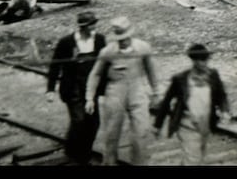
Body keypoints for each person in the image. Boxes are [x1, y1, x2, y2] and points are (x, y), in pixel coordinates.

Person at [85, 16, 158, 166]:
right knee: (111, 135)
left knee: (141, 133)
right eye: (120, 39)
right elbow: (96, 73)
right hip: (115, 93)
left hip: (137, 91)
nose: (123, 41)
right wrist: (89, 97)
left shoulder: (143, 48)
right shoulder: (107, 51)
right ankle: (109, 163)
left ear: (130, 34)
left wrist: (157, 92)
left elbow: (152, 71)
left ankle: (140, 163)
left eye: (125, 38)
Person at [153, 43, 230, 165]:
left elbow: (221, 95)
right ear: (194, 61)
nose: (205, 63)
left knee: (198, 156)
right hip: (187, 123)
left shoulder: (213, 75)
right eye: (201, 60)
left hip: (205, 122)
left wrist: (225, 110)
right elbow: (166, 101)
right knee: (193, 159)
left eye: (206, 59)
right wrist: (157, 125)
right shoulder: (180, 79)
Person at [46, 10, 106, 164]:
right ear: (83, 27)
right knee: (79, 121)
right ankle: (74, 154)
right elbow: (55, 65)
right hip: (72, 88)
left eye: (94, 24)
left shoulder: (99, 40)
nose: (94, 28)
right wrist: (50, 89)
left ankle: (83, 153)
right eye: (91, 25)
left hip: (91, 89)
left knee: (93, 123)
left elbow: (104, 65)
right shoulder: (66, 42)